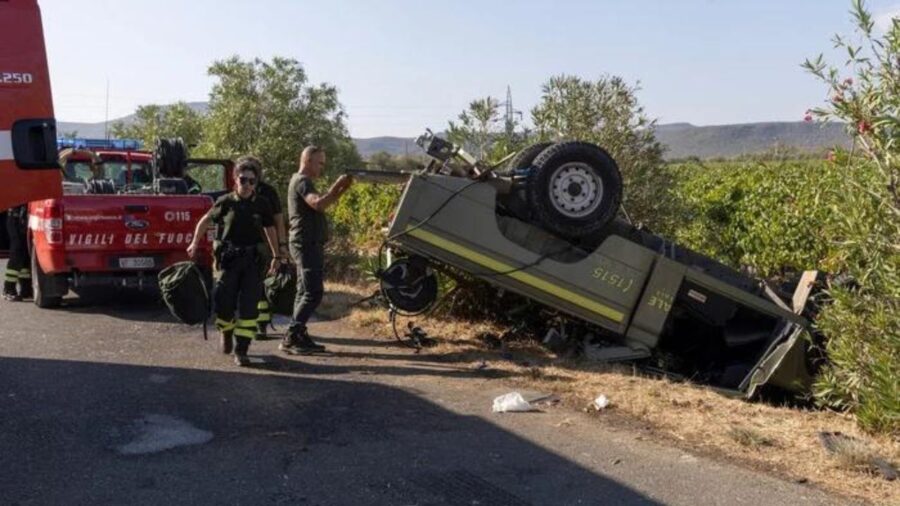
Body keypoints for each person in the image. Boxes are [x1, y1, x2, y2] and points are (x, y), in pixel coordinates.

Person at [187, 158, 283, 366]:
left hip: (252, 263)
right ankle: (226, 333)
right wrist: (194, 243)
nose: (247, 185)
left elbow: (270, 229)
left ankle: (242, 350)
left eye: (252, 181)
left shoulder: (262, 204)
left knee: (249, 308)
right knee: (224, 303)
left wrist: (277, 255)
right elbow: (205, 221)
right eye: (243, 180)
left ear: (256, 182)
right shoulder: (225, 202)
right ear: (235, 180)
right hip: (229, 262)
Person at [280, 146, 353, 353]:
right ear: (308, 160)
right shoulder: (302, 181)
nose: (322, 167)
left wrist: (342, 190)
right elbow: (318, 204)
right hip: (306, 244)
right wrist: (337, 186)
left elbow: (322, 204)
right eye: (320, 163)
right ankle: (292, 335)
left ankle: (297, 333)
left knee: (303, 290)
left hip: (307, 243)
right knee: (313, 291)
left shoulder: (301, 181)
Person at [235, 156, 289, 337]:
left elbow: (278, 220)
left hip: (265, 246)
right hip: (242, 246)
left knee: (261, 287)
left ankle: (261, 324)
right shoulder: (239, 189)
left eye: (254, 172)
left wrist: (281, 246)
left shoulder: (268, 192)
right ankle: (252, 322)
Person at [3, 204, 31, 301]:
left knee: (25, 255)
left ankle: (26, 289)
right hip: (16, 219)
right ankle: (8, 289)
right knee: (17, 253)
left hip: (23, 219)